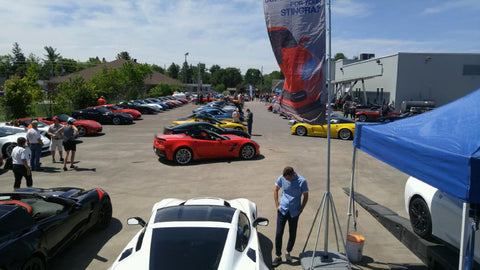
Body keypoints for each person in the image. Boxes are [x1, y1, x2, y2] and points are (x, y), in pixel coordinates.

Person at [273, 166, 309, 266]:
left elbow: (306, 196)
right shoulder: (282, 177)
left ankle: (288, 252)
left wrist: (301, 209)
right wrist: (277, 205)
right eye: (284, 178)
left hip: (294, 212)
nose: (285, 180)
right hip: (282, 210)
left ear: (292, 174)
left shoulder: (302, 181)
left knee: (292, 233)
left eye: (287, 178)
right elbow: (275, 189)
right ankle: (278, 255)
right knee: (278, 233)